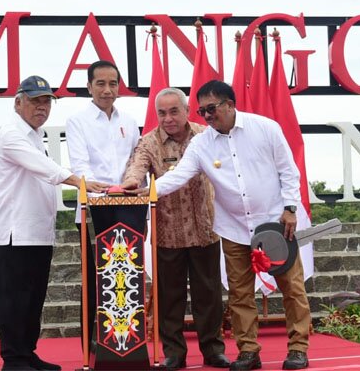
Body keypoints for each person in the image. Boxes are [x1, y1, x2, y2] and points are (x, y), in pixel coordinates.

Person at [127, 80, 311, 370]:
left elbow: (289, 171)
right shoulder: (202, 143)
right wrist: (147, 191)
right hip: (234, 228)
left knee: (292, 288)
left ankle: (298, 349)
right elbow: (179, 176)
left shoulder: (266, 128)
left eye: (212, 108)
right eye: (203, 111)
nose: (208, 116)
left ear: (230, 104)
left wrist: (290, 208)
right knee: (239, 295)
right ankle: (249, 352)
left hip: (275, 224)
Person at [0, 75, 104, 371]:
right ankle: (14, 360)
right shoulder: (11, 134)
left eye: (46, 102)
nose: (42, 108)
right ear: (18, 103)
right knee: (15, 299)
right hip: (15, 234)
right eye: (34, 101)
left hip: (39, 233)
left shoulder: (34, 135)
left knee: (33, 299)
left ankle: (27, 354)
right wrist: (80, 181)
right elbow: (44, 168)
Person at [121, 88, 230, 370]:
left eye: (173, 111)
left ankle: (213, 350)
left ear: (186, 111)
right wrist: (132, 182)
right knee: (169, 299)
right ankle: (174, 353)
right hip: (167, 233)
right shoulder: (149, 142)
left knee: (210, 297)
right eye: (162, 113)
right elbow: (136, 167)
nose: (168, 118)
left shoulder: (206, 136)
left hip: (206, 228)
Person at [65, 60, 140, 349]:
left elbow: (137, 162)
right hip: (94, 207)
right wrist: (106, 190)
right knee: (98, 277)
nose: (107, 90)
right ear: (89, 87)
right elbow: (81, 167)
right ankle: (93, 342)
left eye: (113, 84)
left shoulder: (129, 121)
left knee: (128, 275)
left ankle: (128, 340)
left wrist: (132, 186)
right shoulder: (77, 122)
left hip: (130, 206)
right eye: (101, 84)